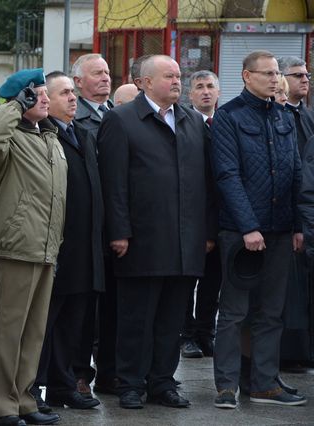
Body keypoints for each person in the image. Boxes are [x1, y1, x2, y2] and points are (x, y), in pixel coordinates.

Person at [98, 55, 213, 409]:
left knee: (172, 320)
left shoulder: (192, 121)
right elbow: (113, 182)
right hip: (142, 240)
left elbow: (207, 182)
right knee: (136, 318)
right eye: (169, 76)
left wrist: (207, 232)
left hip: (185, 241)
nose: (177, 81)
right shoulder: (121, 120)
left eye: (179, 76)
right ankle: (130, 383)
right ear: (146, 82)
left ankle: (163, 381)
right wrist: (119, 231)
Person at [0, 68, 67, 426]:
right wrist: (12, 107)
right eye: (35, 94)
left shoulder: (50, 138)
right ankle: (3, 405)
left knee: (33, 330)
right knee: (8, 329)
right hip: (16, 245)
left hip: (45, 247)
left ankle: (25, 399)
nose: (44, 98)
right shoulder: (8, 138)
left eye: (44, 93)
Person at [211, 50, 306, 409]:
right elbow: (227, 176)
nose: (273, 78)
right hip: (240, 233)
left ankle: (264, 383)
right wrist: (249, 226)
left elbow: (296, 172)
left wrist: (297, 225)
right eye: (266, 73)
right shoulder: (228, 117)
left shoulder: (284, 116)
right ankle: (226, 385)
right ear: (247, 76)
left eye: (276, 73)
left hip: (281, 230)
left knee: (271, 311)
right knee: (234, 312)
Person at [31, 71, 104, 412]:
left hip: (83, 247)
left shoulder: (83, 134)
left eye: (73, 93)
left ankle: (62, 385)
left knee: (71, 326)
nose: (73, 98)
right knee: (42, 325)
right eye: (64, 93)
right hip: (54, 245)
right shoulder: (44, 136)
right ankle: (31, 389)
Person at [71, 53, 114, 396]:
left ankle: (111, 371)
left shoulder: (116, 114)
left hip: (115, 222)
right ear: (78, 82)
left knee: (112, 307)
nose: (105, 78)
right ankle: (78, 374)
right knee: (83, 309)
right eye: (97, 73)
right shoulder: (76, 117)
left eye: (107, 72)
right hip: (86, 224)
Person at [180, 70, 222, 360]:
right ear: (190, 94)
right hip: (193, 218)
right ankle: (187, 335)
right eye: (199, 87)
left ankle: (207, 333)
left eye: (210, 86)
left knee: (213, 282)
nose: (205, 92)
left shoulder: (226, 122)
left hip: (223, 217)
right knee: (187, 282)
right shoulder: (185, 123)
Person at [277, 56, 314, 369]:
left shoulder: (308, 117)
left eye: (307, 75)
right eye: (298, 75)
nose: (305, 80)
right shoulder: (278, 116)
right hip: (287, 217)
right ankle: (289, 353)